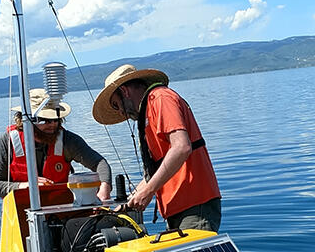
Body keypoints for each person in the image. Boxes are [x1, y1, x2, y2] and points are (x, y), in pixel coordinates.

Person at [92, 65, 221, 232]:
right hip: (178, 208)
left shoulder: (160, 98)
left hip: (194, 204)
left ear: (124, 91)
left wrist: (148, 190)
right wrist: (130, 201)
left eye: (117, 105)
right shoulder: (148, 112)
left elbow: (182, 147)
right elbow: (159, 167)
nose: (121, 113)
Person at [0, 88, 111, 200]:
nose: (52, 124)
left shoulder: (68, 140)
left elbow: (99, 163)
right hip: (18, 215)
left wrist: (105, 187)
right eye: (45, 120)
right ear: (27, 120)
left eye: (56, 119)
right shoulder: (6, 142)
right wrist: (23, 185)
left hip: (61, 209)